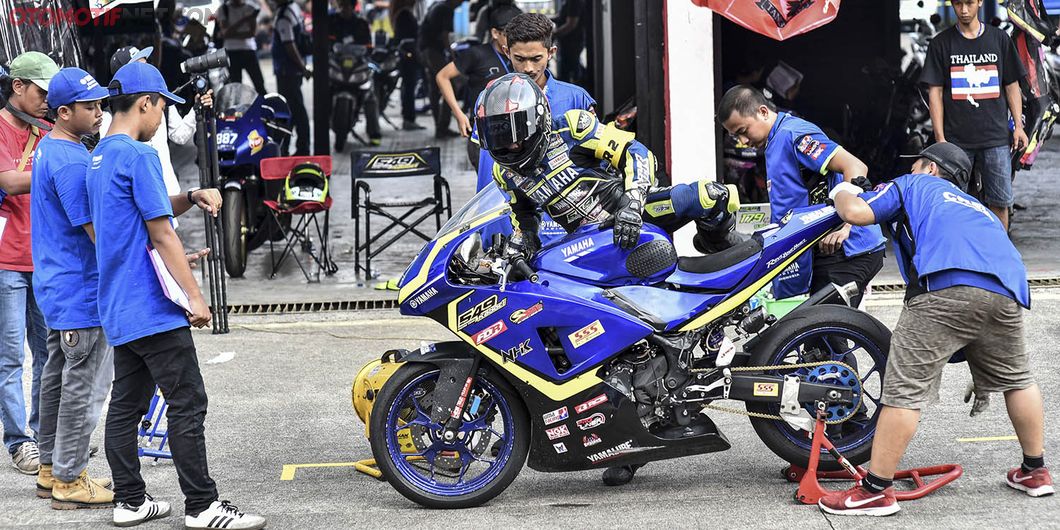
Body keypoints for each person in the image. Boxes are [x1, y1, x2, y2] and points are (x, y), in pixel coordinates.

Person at [821, 142, 1049, 515]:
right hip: (1005, 291)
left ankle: (876, 489)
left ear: (929, 168)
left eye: (915, 166)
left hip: (945, 285)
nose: (910, 171)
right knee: (1018, 379)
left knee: (903, 389)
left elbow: (857, 212)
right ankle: (1035, 472)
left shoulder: (915, 186)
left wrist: (843, 187)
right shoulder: (981, 210)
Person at [89, 61, 265, 529]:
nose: (163, 116)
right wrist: (195, 297)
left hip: (119, 304)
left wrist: (190, 194)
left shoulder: (99, 159)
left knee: (125, 405)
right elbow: (162, 233)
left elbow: (149, 209)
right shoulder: (140, 155)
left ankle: (129, 500)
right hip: (152, 305)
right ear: (146, 102)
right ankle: (203, 506)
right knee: (187, 401)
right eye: (163, 106)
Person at [477, 73, 741, 289]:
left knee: (712, 195)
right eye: (497, 133)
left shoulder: (573, 127)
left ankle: (725, 258)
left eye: (515, 132)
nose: (508, 144)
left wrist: (632, 207)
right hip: (584, 243)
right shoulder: (503, 173)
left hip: (631, 213)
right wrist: (525, 240)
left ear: (537, 119)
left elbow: (636, 153)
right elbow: (524, 215)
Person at [30, 67, 116, 509]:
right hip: (80, 289)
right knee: (82, 385)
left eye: (101, 104)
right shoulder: (72, 160)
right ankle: (68, 479)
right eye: (90, 106)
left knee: (57, 379)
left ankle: (51, 469)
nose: (99, 112)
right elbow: (95, 230)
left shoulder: (50, 148)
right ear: (64, 113)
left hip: (57, 285)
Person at [718, 85, 886, 308]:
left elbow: (855, 166)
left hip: (849, 249)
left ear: (763, 112)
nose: (743, 142)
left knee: (826, 331)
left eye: (743, 130)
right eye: (735, 136)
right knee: (811, 332)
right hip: (823, 250)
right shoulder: (774, 142)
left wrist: (845, 225)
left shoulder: (795, 135)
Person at [0, 51, 58, 477]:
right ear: (18, 86)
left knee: (48, 353)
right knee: (9, 357)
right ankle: (20, 442)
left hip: (45, 259)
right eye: (41, 91)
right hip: (5, 260)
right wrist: (61, 168)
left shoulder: (51, 130)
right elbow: (8, 180)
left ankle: (45, 438)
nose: (47, 101)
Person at [921, 0, 1027, 231]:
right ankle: (960, 257)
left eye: (969, 3)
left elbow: (1011, 85)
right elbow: (935, 93)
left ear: (980, 2)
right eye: (958, 4)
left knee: (1000, 202)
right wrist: (941, 140)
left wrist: (1018, 125)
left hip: (996, 139)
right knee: (953, 202)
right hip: (956, 141)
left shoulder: (999, 39)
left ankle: (999, 256)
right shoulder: (941, 44)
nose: (964, 10)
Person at [469, 11, 596, 191]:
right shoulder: (489, 99)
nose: (528, 68)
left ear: (551, 52)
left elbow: (595, 158)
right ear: (507, 52)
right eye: (519, 59)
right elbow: (487, 164)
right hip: (513, 209)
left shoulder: (576, 98)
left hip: (566, 211)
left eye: (536, 59)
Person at [102, 46, 214, 201]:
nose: (146, 68)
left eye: (146, 63)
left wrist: (196, 109)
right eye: (139, 66)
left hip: (169, 194)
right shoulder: (108, 118)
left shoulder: (162, 97)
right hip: (139, 200)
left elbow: (180, 136)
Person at [436, 3, 522, 137]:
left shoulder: (523, 57)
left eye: (519, 35)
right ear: (495, 33)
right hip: (483, 132)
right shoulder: (476, 54)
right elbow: (442, 76)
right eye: (510, 35)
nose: (515, 41)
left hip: (517, 129)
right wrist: (459, 114)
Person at [329, 0, 382, 146]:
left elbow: (369, 47)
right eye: (342, 5)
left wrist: (368, 55)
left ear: (353, 7)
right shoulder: (332, 21)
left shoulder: (361, 24)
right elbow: (325, 43)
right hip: (337, 65)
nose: (345, 8)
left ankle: (374, 133)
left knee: (370, 96)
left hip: (357, 65)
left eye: (348, 6)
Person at [419, 0, 466, 138]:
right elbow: (445, 35)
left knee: (434, 88)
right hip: (432, 51)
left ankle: (440, 126)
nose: (460, 4)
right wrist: (452, 55)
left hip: (425, 50)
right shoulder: (445, 10)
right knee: (449, 86)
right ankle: (442, 126)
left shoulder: (437, 6)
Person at [272, 0, 312, 155]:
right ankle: (288, 147)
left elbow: (289, 45)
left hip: (286, 72)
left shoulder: (284, 16)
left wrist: (302, 67)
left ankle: (301, 149)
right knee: (293, 111)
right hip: (291, 71)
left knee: (291, 112)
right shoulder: (293, 8)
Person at [216, 0, 268, 95]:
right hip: (232, 52)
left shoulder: (251, 8)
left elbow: (252, 33)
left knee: (259, 84)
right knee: (236, 87)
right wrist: (245, 20)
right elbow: (225, 33)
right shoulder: (223, 9)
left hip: (249, 50)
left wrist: (231, 34)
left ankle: (265, 107)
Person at [391, 0, 425, 131]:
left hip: (407, 55)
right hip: (408, 56)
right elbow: (408, 38)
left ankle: (409, 117)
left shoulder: (401, 14)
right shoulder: (404, 15)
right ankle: (408, 118)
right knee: (409, 88)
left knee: (408, 87)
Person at [552, 0, 586, 84]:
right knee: (572, 65)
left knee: (569, 68)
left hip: (572, 42)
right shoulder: (568, 2)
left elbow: (571, 25)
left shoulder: (574, 2)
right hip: (569, 42)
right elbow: (563, 17)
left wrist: (554, 34)